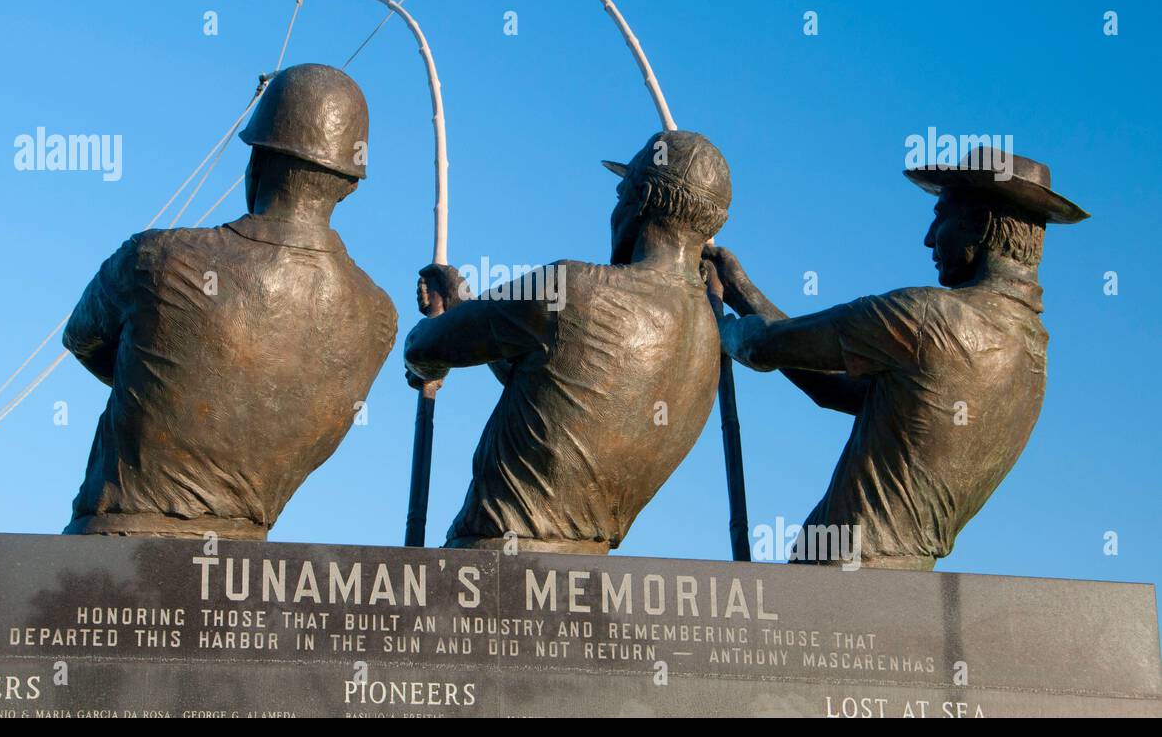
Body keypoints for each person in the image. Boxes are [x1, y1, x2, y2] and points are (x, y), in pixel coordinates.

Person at [706, 147, 1089, 568]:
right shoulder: (1030, 354)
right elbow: (832, 386)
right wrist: (741, 291)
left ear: (978, 223)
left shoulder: (930, 318)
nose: (929, 237)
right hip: (906, 580)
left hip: (840, 576)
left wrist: (715, 322)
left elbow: (762, 347)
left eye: (940, 215)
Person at [62, 64, 396, 538]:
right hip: (245, 564)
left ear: (257, 160)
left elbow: (82, 339)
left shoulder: (158, 258)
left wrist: (162, 382)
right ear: (351, 183)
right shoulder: (378, 317)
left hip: (115, 549)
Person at [404, 131, 732, 553]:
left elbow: (423, 348)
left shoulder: (575, 288)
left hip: (493, 572)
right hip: (590, 577)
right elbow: (550, 382)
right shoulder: (708, 343)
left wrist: (434, 347)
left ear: (642, 197)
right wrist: (462, 302)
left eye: (620, 193)